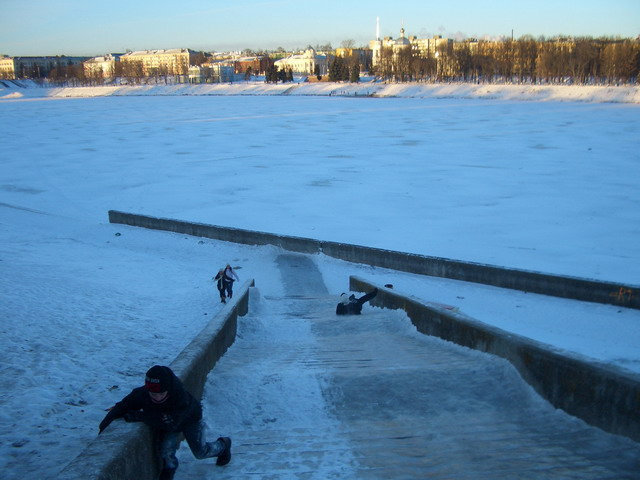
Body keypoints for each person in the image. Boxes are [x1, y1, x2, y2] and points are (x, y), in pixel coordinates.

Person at [98, 365, 231, 480]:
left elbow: (170, 423)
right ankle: (169, 469)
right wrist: (104, 427)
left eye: (161, 394)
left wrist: (140, 416)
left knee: (200, 452)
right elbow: (122, 406)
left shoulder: (179, 397)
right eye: (153, 393)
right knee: (166, 449)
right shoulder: (142, 394)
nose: (156, 397)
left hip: (189, 419)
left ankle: (223, 445)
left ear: (168, 389)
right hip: (165, 420)